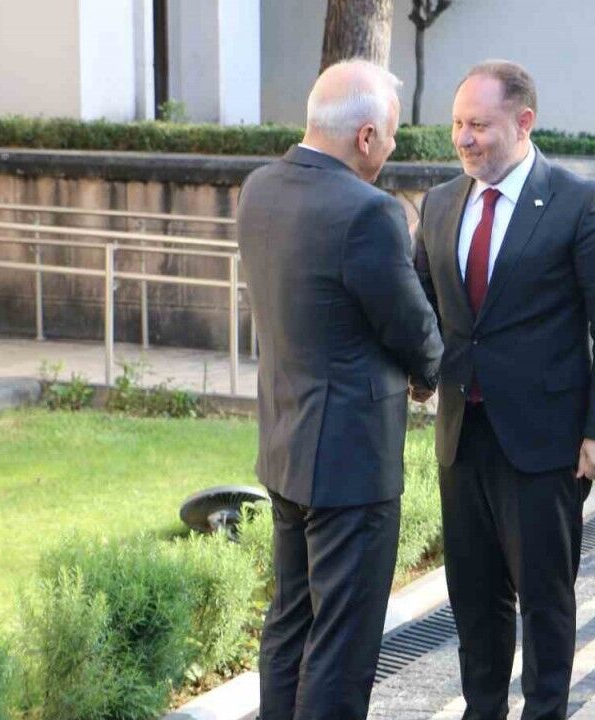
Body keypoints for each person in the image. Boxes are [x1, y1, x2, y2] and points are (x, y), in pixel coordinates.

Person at [413, 60, 595, 720]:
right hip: (463, 437)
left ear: (524, 122)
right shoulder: (440, 203)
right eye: (458, 124)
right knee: (474, 598)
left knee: (544, 601)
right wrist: (417, 372)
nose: (464, 138)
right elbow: (421, 303)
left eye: (479, 125)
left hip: (545, 445)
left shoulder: (581, 202)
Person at [236, 60, 444, 720]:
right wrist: (430, 374)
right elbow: (411, 325)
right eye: (392, 134)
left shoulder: (260, 188)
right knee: (342, 645)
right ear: (365, 136)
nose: (393, 147)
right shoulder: (369, 211)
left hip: (286, 448)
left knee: (290, 623)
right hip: (351, 462)